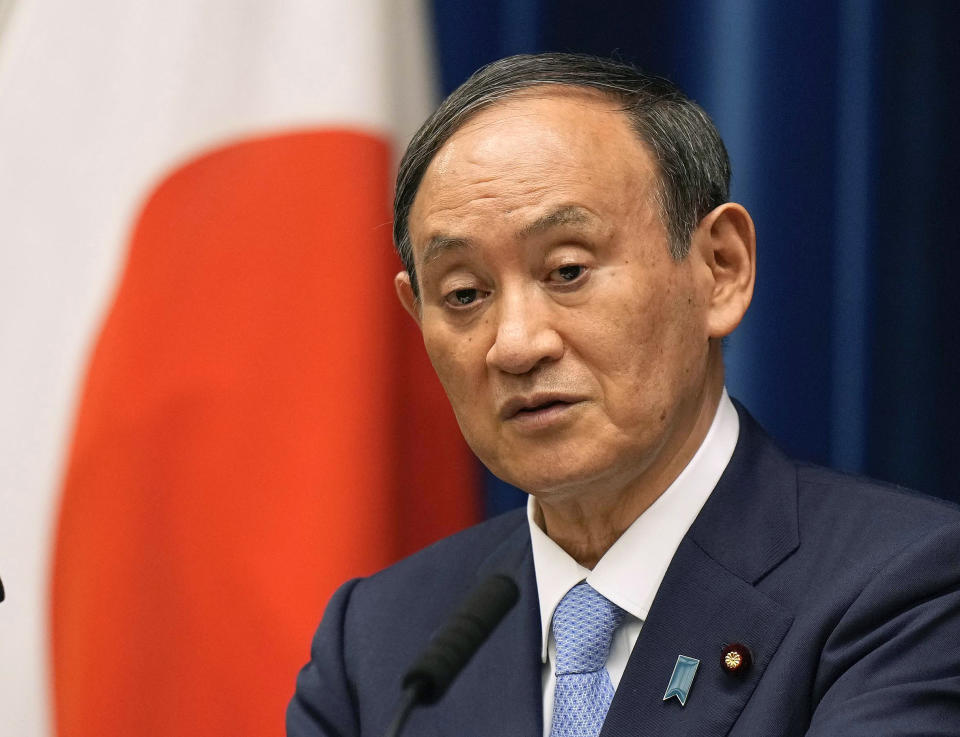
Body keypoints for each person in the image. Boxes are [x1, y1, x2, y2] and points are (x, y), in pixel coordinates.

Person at [287, 53, 960, 737]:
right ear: (417, 317)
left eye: (568, 269)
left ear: (719, 269)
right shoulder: (377, 646)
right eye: (464, 294)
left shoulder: (905, 590)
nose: (515, 344)